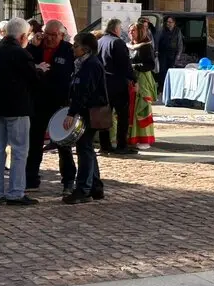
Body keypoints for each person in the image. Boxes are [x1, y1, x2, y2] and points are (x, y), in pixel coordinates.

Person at [0, 18, 38, 206]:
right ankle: (15, 193)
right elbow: (33, 80)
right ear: (22, 37)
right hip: (17, 108)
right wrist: (40, 71)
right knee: (19, 150)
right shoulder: (21, 54)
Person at [26, 19, 76, 195]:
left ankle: (68, 181)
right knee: (34, 141)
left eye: (53, 35)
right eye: (46, 33)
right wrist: (31, 45)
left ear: (61, 35)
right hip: (38, 101)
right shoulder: (35, 47)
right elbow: (24, 64)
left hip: (60, 102)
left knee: (63, 144)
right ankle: (31, 178)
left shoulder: (69, 50)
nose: (49, 38)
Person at [63, 32, 108, 204]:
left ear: (86, 48)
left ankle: (83, 189)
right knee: (86, 148)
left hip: (90, 112)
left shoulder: (90, 65)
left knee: (84, 149)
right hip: (89, 110)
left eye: (76, 46)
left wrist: (71, 113)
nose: (73, 49)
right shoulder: (85, 63)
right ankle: (95, 186)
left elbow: (83, 91)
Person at [97, 18, 136, 155]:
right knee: (122, 116)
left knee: (105, 116)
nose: (121, 31)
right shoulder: (117, 42)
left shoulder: (100, 41)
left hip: (103, 84)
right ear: (116, 29)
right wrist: (133, 79)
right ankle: (121, 145)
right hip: (117, 84)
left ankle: (105, 145)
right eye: (120, 28)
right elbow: (125, 64)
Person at [127, 21, 158, 149]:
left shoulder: (146, 46)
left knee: (142, 107)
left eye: (133, 31)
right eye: (130, 31)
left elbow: (151, 65)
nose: (131, 33)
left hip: (143, 79)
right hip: (131, 79)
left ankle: (143, 138)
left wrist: (133, 66)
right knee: (131, 108)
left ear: (140, 32)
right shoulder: (129, 45)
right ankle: (131, 136)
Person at [156, 16, 183, 91]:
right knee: (162, 70)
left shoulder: (177, 31)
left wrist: (178, 55)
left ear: (174, 23)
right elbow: (157, 40)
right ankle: (161, 87)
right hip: (163, 53)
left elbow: (180, 43)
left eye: (170, 22)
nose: (168, 24)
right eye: (167, 22)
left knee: (171, 71)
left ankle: (170, 88)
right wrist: (156, 51)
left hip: (173, 54)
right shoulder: (162, 30)